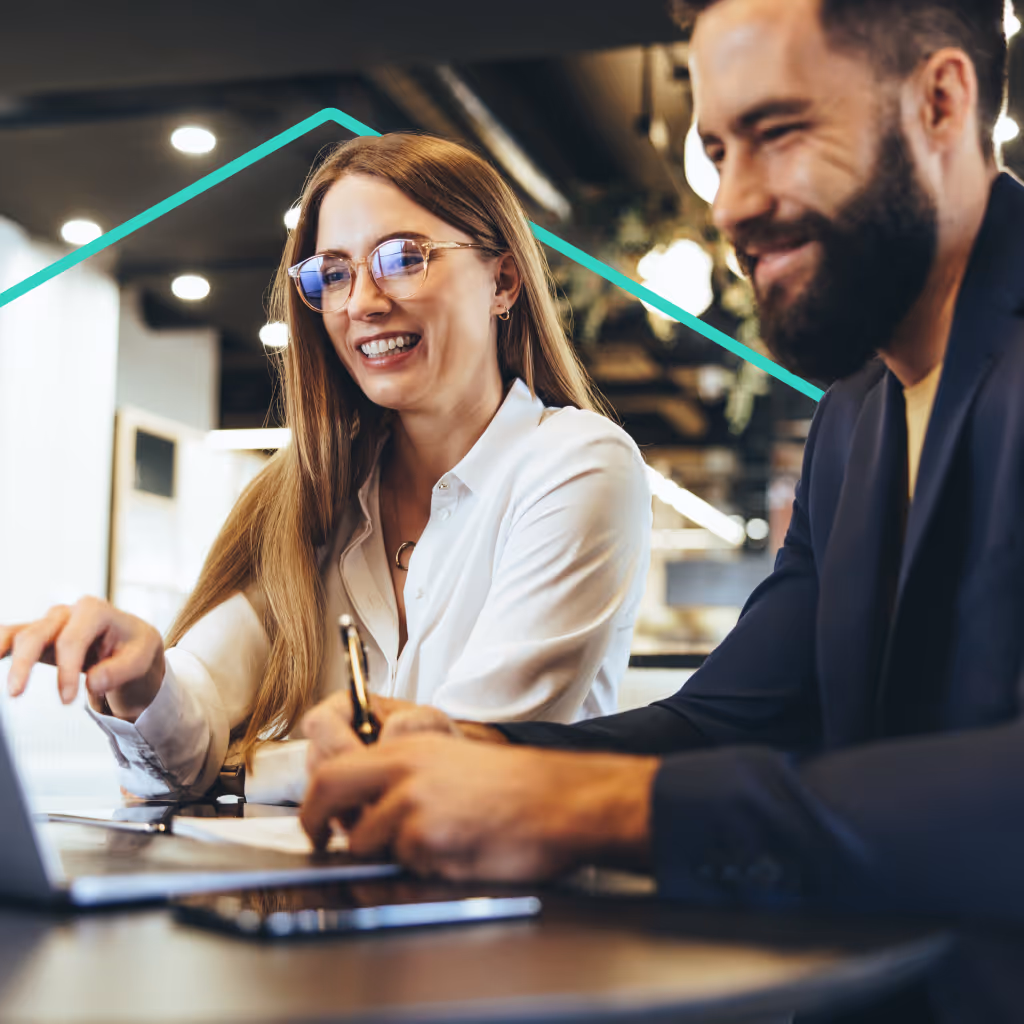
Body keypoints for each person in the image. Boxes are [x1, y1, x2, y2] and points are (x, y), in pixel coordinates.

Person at [296, 0, 1024, 1018]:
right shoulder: (856, 413)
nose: (728, 204)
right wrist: (485, 751)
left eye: (776, 133)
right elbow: (735, 716)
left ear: (941, 102)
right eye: (717, 151)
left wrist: (606, 806)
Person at [0, 134, 651, 804]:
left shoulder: (578, 465)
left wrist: (237, 773)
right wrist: (144, 680)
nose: (361, 302)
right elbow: (194, 710)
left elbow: (459, 760)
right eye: (332, 273)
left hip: (522, 902)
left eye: (402, 258)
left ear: (503, 281)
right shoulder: (313, 492)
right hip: (331, 900)